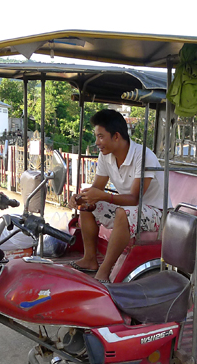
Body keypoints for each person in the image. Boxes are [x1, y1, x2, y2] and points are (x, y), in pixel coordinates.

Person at [68, 109, 169, 283]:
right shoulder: (105, 156)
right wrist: (80, 198)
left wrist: (103, 196)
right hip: (131, 208)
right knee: (87, 205)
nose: (97, 142)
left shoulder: (143, 156)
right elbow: (96, 189)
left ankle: (104, 273)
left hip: (158, 213)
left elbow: (135, 199)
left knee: (123, 213)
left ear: (116, 136)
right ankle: (90, 259)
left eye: (101, 137)